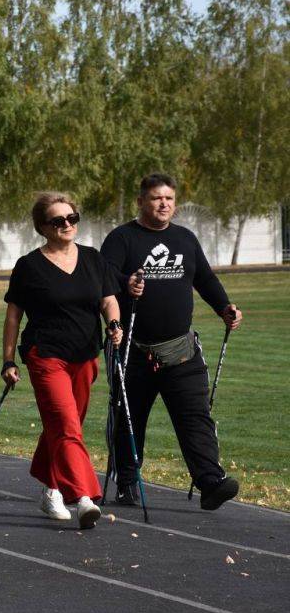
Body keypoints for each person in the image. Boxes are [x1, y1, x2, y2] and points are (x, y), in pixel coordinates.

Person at [101, 173, 242, 511]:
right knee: (129, 418)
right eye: (155, 198)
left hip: (181, 350)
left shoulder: (185, 239)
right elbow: (103, 278)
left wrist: (225, 308)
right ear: (141, 201)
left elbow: (204, 278)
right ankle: (128, 482)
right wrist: (127, 281)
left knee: (196, 416)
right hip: (132, 349)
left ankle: (210, 482)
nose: (163, 204)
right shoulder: (122, 239)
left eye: (169, 198)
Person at [1, 193, 122, 530]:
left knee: (65, 425)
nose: (68, 225)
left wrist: (114, 324)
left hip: (84, 356)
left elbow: (109, 301)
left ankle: (51, 487)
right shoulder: (29, 266)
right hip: (46, 355)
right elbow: (14, 317)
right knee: (67, 425)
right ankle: (83, 497)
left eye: (72, 218)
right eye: (58, 221)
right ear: (43, 227)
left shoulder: (94, 259)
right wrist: (8, 360)